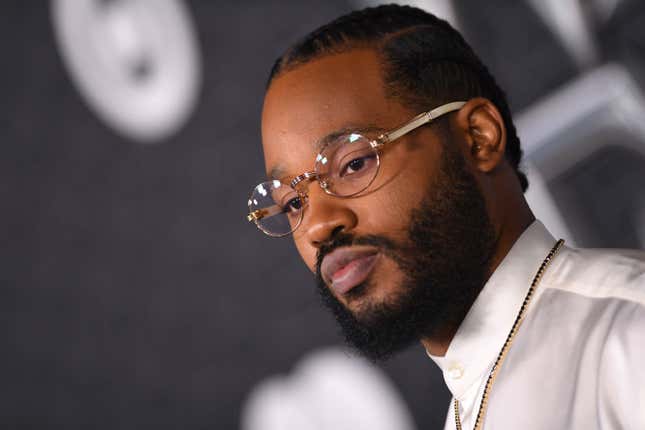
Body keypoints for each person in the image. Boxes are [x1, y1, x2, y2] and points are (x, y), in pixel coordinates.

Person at [245, 5, 645, 429]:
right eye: (293, 203)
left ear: (478, 137)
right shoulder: (471, 405)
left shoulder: (630, 337)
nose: (319, 225)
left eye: (354, 164)